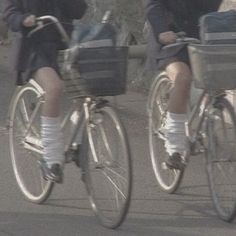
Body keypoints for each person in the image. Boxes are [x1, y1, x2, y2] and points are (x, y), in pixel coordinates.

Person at [3, 0, 87, 183]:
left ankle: (78, 143)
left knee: (86, 91)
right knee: (53, 88)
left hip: (64, 45)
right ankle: (51, 158)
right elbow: (9, 13)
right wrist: (23, 19)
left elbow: (78, 10)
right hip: (33, 48)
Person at [145, 0, 222, 170]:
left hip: (201, 37)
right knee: (182, 77)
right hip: (171, 41)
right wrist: (162, 31)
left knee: (218, 77)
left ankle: (205, 123)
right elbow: (153, 6)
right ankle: (175, 147)